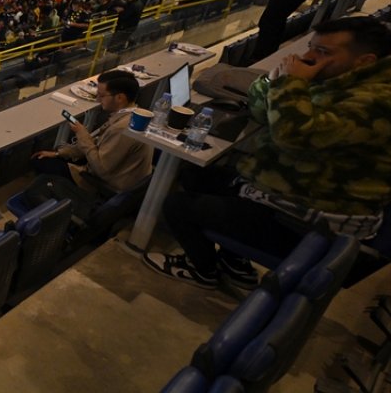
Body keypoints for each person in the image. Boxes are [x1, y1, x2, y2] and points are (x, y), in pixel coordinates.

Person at [146, 17, 391, 289]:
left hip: (309, 224)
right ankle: (234, 262)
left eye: (323, 52)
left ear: (364, 61)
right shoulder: (338, 78)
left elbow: (291, 135)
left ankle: (203, 270)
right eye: (311, 47)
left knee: (177, 206)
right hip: (288, 194)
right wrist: (277, 80)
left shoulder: (376, 102)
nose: (308, 57)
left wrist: (291, 84)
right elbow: (261, 110)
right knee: (196, 176)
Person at [26, 70, 153, 218]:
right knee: (51, 156)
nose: (98, 99)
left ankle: (56, 205)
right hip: (114, 173)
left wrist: (82, 135)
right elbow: (98, 144)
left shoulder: (122, 128)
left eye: (102, 95)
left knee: (40, 163)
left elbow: (101, 169)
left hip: (104, 183)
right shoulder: (132, 115)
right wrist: (58, 153)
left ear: (120, 97)